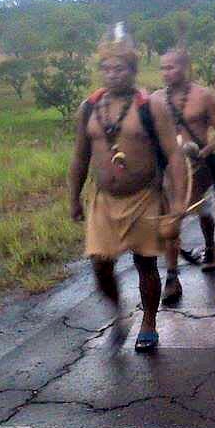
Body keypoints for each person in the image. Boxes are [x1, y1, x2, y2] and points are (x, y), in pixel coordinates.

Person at [68, 31, 187, 353]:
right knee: (100, 265)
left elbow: (174, 157)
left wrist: (177, 206)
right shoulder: (89, 108)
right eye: (106, 68)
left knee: (145, 264)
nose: (112, 74)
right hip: (104, 200)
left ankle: (148, 322)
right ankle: (119, 314)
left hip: (144, 198)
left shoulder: (151, 107)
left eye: (119, 68)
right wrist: (73, 198)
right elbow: (80, 157)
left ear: (133, 71)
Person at [155, 49, 215, 306]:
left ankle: (209, 247)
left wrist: (205, 152)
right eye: (163, 68)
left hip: (198, 168)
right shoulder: (155, 100)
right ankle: (172, 276)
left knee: (202, 212)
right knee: (171, 221)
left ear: (185, 68)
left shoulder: (204, 96)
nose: (167, 73)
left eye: (172, 67)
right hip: (168, 172)